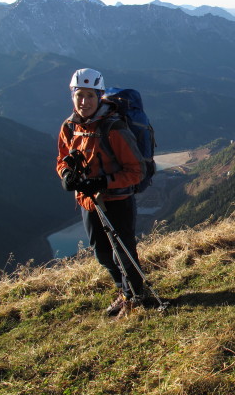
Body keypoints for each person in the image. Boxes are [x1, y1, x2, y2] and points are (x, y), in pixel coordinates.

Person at [56, 68, 146, 317]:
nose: (84, 102)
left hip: (117, 200)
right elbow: (62, 158)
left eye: (90, 96)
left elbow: (136, 170)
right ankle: (123, 292)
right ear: (73, 96)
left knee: (123, 253)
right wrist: (66, 175)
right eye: (79, 95)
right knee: (103, 254)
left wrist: (103, 182)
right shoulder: (70, 127)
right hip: (89, 202)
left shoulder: (113, 129)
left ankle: (135, 296)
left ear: (100, 97)